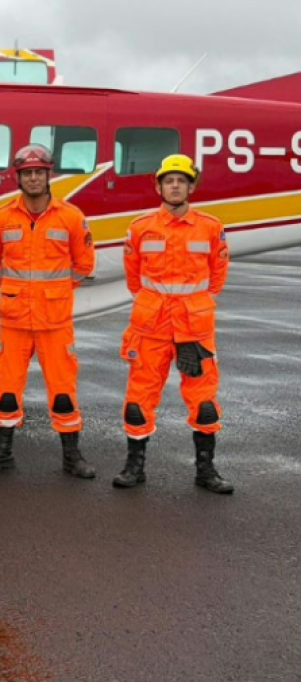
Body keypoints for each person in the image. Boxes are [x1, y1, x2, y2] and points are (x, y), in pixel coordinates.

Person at [113, 154, 233, 494]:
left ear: (191, 185)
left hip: (194, 329)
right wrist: (157, 304)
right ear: (159, 186)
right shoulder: (140, 228)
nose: (175, 185)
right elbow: (134, 279)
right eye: (169, 180)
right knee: (138, 401)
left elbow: (217, 277)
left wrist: (193, 306)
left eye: (181, 180)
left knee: (205, 403)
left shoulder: (210, 227)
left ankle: (206, 471)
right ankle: (134, 467)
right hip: (151, 327)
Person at [0, 143, 97, 479]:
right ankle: (2, 453)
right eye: (27, 173)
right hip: (14, 321)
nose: (33, 178)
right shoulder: (2, 218)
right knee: (7, 391)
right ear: (19, 178)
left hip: (55, 322)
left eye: (38, 173)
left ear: (48, 176)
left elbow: (83, 265)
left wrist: (53, 293)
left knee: (62, 392)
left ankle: (72, 457)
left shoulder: (71, 217)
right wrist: (18, 292)